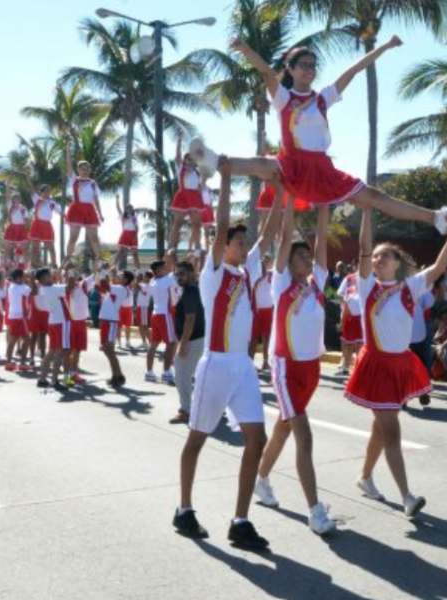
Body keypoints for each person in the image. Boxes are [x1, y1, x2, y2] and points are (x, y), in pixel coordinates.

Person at [198, 38, 447, 232]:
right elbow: (267, 71)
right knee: (264, 163)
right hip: (293, 163)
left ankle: (436, 218)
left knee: (374, 197)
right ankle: (215, 160)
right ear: (290, 68)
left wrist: (383, 47)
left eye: (313, 65)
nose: (309, 69)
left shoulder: (323, 97)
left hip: (323, 169)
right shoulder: (283, 97)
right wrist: (245, 48)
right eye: (303, 64)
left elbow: (353, 70)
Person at [172, 156, 280, 549]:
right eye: (239, 242)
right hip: (215, 365)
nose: (244, 246)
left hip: (243, 369)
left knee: (257, 439)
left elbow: (267, 236)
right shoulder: (213, 274)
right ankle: (184, 509)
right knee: (197, 438)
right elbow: (219, 228)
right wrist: (229, 175)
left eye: (243, 243)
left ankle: (240, 521)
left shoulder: (248, 271)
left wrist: (281, 193)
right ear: (225, 248)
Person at [345, 206, 447, 517]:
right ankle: (407, 497)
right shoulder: (368, 286)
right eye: (377, 256)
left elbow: (439, 267)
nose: (379, 259)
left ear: (398, 264)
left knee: (380, 429)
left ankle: (365, 477)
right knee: (391, 429)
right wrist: (367, 207)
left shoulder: (409, 287)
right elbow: (364, 248)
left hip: (400, 363)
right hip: (376, 364)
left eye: (387, 256)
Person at [254, 196, 335, 535]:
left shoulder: (316, 285)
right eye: (300, 255)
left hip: (311, 368)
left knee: (284, 428)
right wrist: (287, 199)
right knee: (304, 436)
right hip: (285, 368)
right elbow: (286, 238)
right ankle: (315, 512)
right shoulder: (282, 283)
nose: (306, 257)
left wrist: (324, 204)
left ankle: (260, 479)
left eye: (307, 255)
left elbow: (320, 237)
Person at [171, 261, 205, 425]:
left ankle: (186, 410)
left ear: (192, 273)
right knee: (199, 377)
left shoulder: (191, 291)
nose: (179, 277)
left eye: (182, 274)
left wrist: (183, 344)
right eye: (177, 274)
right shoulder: (192, 290)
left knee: (182, 376)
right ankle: (206, 409)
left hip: (193, 340)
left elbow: (190, 320)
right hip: (198, 339)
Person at [64, 144, 104, 265]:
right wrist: (67, 150)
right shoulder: (74, 180)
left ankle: (98, 260)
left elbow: (96, 199)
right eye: (82, 169)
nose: (85, 171)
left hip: (90, 210)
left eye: (87, 169)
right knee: (73, 237)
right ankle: (68, 259)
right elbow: (68, 165)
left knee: (94, 238)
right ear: (79, 170)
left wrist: (100, 214)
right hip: (76, 209)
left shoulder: (93, 183)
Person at [36, 267, 75, 391]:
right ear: (43, 279)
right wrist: (71, 271)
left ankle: (42, 378)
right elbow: (70, 286)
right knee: (61, 351)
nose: (51, 276)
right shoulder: (52, 289)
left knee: (52, 351)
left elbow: (62, 285)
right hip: (62, 321)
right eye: (48, 275)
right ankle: (54, 380)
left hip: (53, 321)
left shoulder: (45, 289)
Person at [97, 269, 133, 388]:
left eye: (121, 275)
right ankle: (115, 375)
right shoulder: (116, 287)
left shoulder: (122, 289)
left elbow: (104, 284)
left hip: (111, 321)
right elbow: (100, 287)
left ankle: (119, 376)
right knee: (107, 350)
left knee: (110, 350)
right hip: (105, 320)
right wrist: (99, 270)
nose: (118, 275)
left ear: (126, 280)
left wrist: (102, 269)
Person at [168, 132, 203, 251]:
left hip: (194, 198)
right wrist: (179, 143)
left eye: (192, 159)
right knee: (177, 224)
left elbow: (199, 187)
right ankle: (171, 247)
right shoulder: (180, 169)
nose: (189, 161)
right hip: (182, 196)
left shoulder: (197, 172)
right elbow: (177, 156)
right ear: (184, 160)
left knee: (197, 225)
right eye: (187, 159)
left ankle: (197, 247)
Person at [145, 259, 177, 383]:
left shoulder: (153, 281)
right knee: (171, 343)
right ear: (158, 270)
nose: (166, 268)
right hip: (165, 315)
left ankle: (149, 372)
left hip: (155, 315)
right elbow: (175, 268)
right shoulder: (166, 280)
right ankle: (167, 372)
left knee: (154, 344)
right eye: (164, 267)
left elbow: (170, 269)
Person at [24, 167, 60, 267]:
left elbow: (61, 212)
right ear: (41, 192)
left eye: (49, 191)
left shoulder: (52, 202)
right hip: (37, 224)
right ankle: (33, 265)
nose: (47, 193)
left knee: (51, 247)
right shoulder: (37, 199)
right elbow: (31, 188)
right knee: (35, 248)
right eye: (45, 191)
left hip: (47, 225)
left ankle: (54, 265)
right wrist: (27, 176)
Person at [409, 275, 435, 406]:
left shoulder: (419, 286)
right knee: (414, 363)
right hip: (406, 332)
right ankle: (407, 394)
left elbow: (429, 302)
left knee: (420, 363)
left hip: (416, 331)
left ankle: (422, 391)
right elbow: (428, 304)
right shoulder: (418, 285)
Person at [337, 271, 363, 376]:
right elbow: (346, 309)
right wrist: (342, 322)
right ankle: (346, 368)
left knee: (360, 347)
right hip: (350, 321)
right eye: (356, 279)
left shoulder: (366, 293)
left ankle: (359, 369)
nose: (356, 281)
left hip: (361, 322)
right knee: (348, 346)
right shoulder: (349, 291)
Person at [5, 268, 31, 371]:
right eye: (23, 276)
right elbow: (34, 291)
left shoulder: (11, 286)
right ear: (18, 278)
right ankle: (23, 363)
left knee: (13, 338)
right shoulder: (22, 288)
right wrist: (32, 278)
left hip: (13, 315)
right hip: (21, 316)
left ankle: (8, 362)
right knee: (27, 339)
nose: (25, 278)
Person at [251, 255, 274, 372]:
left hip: (268, 309)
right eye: (264, 261)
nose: (265, 263)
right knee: (254, 338)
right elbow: (253, 286)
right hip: (257, 310)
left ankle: (265, 361)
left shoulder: (271, 274)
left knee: (267, 337)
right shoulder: (255, 277)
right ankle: (250, 362)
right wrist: (262, 275)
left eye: (268, 261)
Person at [3, 184, 29, 266]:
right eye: (15, 198)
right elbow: (7, 196)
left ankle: (27, 267)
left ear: (20, 199)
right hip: (12, 228)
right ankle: (4, 266)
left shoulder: (24, 208)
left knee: (24, 250)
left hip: (21, 228)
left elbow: (25, 220)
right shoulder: (10, 206)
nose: (17, 199)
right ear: (13, 200)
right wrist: (7, 186)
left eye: (18, 198)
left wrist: (24, 230)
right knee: (7, 249)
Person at [114, 196, 141, 271]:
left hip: (133, 235)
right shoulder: (123, 216)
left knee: (135, 254)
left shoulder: (135, 218)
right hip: (125, 234)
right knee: (121, 251)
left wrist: (135, 236)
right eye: (128, 208)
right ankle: (113, 266)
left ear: (132, 210)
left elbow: (137, 228)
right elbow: (118, 208)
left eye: (131, 208)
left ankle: (138, 270)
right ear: (126, 209)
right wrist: (117, 199)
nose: (130, 209)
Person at [134, 271, 153, 350]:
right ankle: (144, 342)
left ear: (148, 278)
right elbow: (136, 286)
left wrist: (137, 278)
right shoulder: (144, 285)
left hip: (144, 308)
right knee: (140, 326)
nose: (143, 278)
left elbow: (137, 286)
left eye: (145, 276)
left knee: (144, 326)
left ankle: (151, 342)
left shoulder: (149, 286)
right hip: (140, 307)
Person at [199, 180, 215, 251]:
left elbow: (210, 202)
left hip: (207, 209)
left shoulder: (209, 189)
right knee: (196, 230)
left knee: (206, 232)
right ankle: (193, 249)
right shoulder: (198, 187)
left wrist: (211, 213)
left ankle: (207, 250)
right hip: (200, 209)